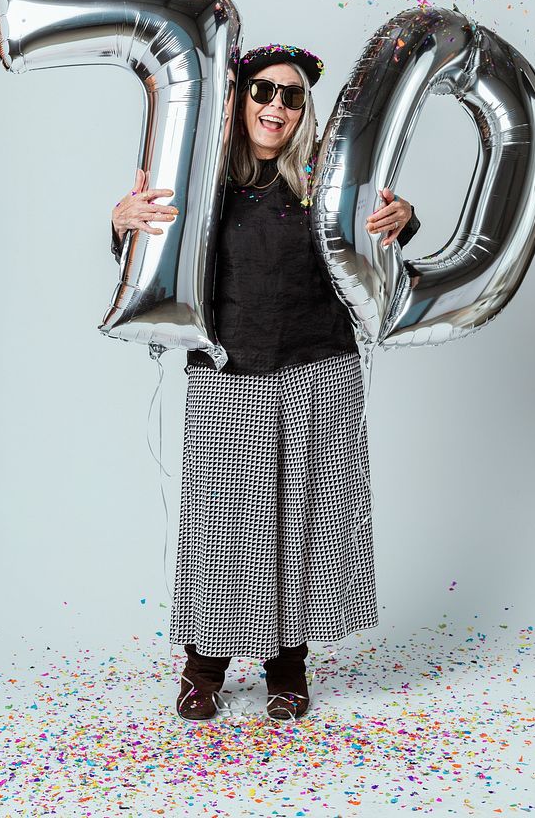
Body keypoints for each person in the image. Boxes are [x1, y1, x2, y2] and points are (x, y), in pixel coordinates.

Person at [110, 44, 420, 722]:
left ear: (304, 110)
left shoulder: (324, 183)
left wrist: (401, 220)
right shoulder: (200, 183)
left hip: (319, 368)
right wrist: (121, 222)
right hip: (228, 369)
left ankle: (288, 666)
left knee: (303, 519)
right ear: (236, 98)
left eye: (290, 96)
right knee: (222, 529)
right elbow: (149, 255)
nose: (274, 106)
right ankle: (203, 668)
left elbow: (378, 243)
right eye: (261, 91)